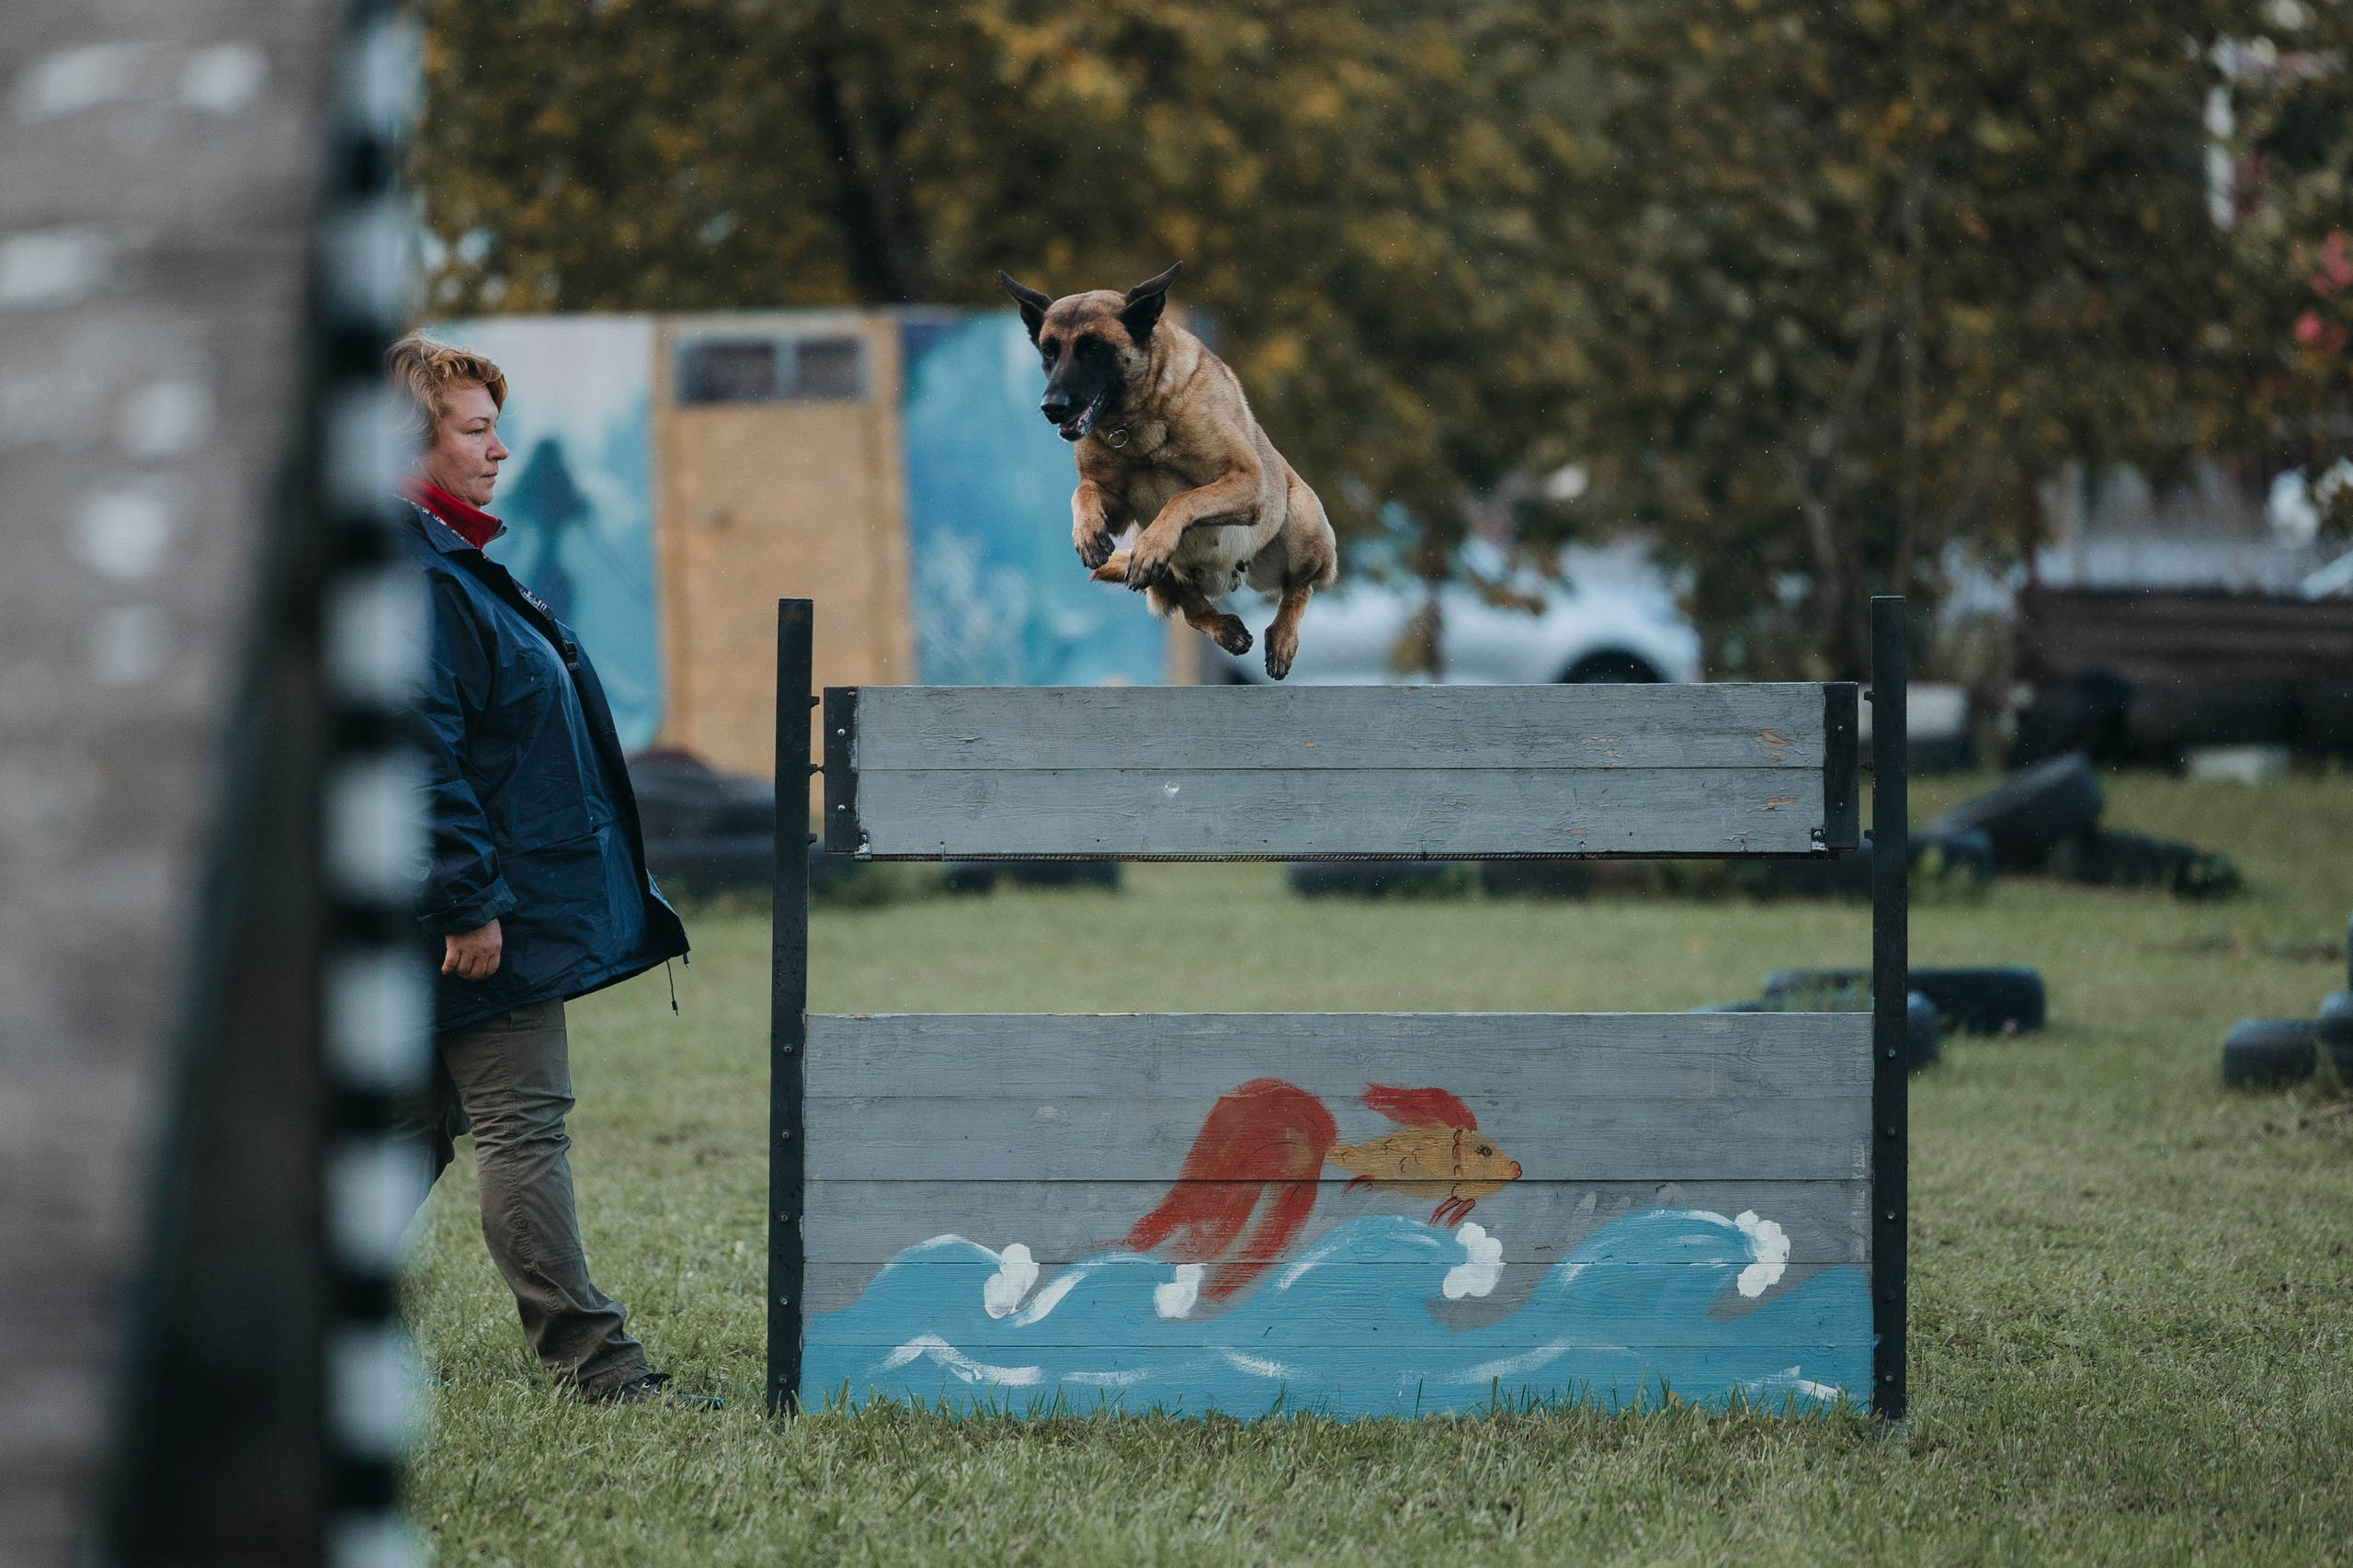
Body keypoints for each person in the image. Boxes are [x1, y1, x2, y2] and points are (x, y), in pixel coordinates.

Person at [385, 331, 697, 1405]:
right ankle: (596, 1364)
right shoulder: (416, 575)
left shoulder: (442, 559)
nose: (499, 450)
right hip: (471, 915)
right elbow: (418, 748)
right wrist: (468, 899)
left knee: (406, 1123)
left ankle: (268, 1324)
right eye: (475, 431)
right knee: (523, 1125)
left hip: (457, 905)